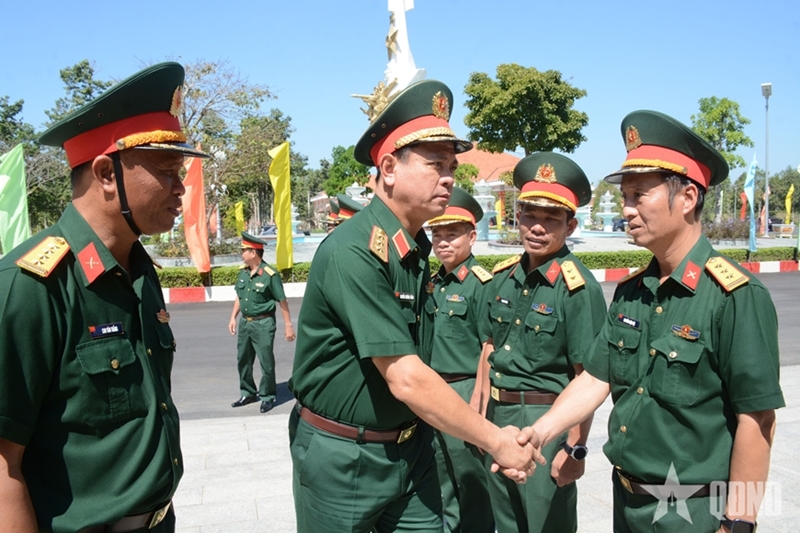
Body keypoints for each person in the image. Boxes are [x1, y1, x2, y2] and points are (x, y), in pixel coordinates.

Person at [288, 79, 542, 533]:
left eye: (452, 166)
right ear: (388, 168)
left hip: (411, 449)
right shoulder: (355, 249)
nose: (449, 177)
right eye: (435, 164)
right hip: (345, 457)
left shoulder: (412, 250)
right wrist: (497, 441)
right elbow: (405, 376)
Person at [519, 111, 784, 533]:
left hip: (694, 511)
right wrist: (539, 432)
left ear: (688, 197)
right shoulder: (632, 291)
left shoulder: (734, 296)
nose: (627, 209)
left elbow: (759, 419)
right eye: (625, 197)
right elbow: (595, 378)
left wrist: (739, 522)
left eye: (639, 195)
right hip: (628, 502)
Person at [0, 62, 207, 532]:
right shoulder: (31, 286)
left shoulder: (138, 271)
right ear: (105, 173)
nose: (181, 188)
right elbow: (3, 465)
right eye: (167, 170)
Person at [476, 152, 606, 533]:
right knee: (507, 523)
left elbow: (588, 377)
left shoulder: (577, 288)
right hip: (498, 419)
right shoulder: (503, 277)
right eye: (529, 215)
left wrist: (574, 448)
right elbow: (489, 348)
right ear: (517, 217)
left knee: (546, 526)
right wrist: (480, 420)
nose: (537, 227)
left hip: (547, 424)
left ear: (571, 225)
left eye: (551, 219)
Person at [427, 186, 496, 533]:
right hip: (432, 390)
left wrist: (478, 402)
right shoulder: (433, 283)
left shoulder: (482, 284)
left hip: (464, 389)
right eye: (437, 234)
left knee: (471, 477)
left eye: (452, 234)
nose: (443, 242)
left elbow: (489, 347)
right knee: (442, 474)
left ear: (471, 237)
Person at [229, 232, 295, 413]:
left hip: (263, 323)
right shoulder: (243, 273)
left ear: (254, 253)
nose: (241, 254)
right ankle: (248, 392)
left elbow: (282, 300)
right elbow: (239, 296)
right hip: (245, 323)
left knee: (266, 361)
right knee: (243, 360)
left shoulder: (269, 275)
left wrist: (288, 325)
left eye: (244, 250)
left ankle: (267, 396)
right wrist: (233, 317)